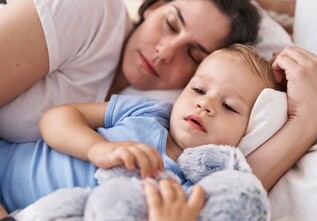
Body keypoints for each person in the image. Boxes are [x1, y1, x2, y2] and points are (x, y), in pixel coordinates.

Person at [0, 44, 280, 221]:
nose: (205, 104)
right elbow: (56, 118)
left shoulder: (190, 192)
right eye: (198, 89)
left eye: (229, 106)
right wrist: (96, 148)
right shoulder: (147, 112)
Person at [0, 0, 260, 143]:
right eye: (170, 24)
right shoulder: (91, 11)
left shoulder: (156, 116)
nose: (165, 52)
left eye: (192, 55)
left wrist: (300, 123)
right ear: (154, 7)